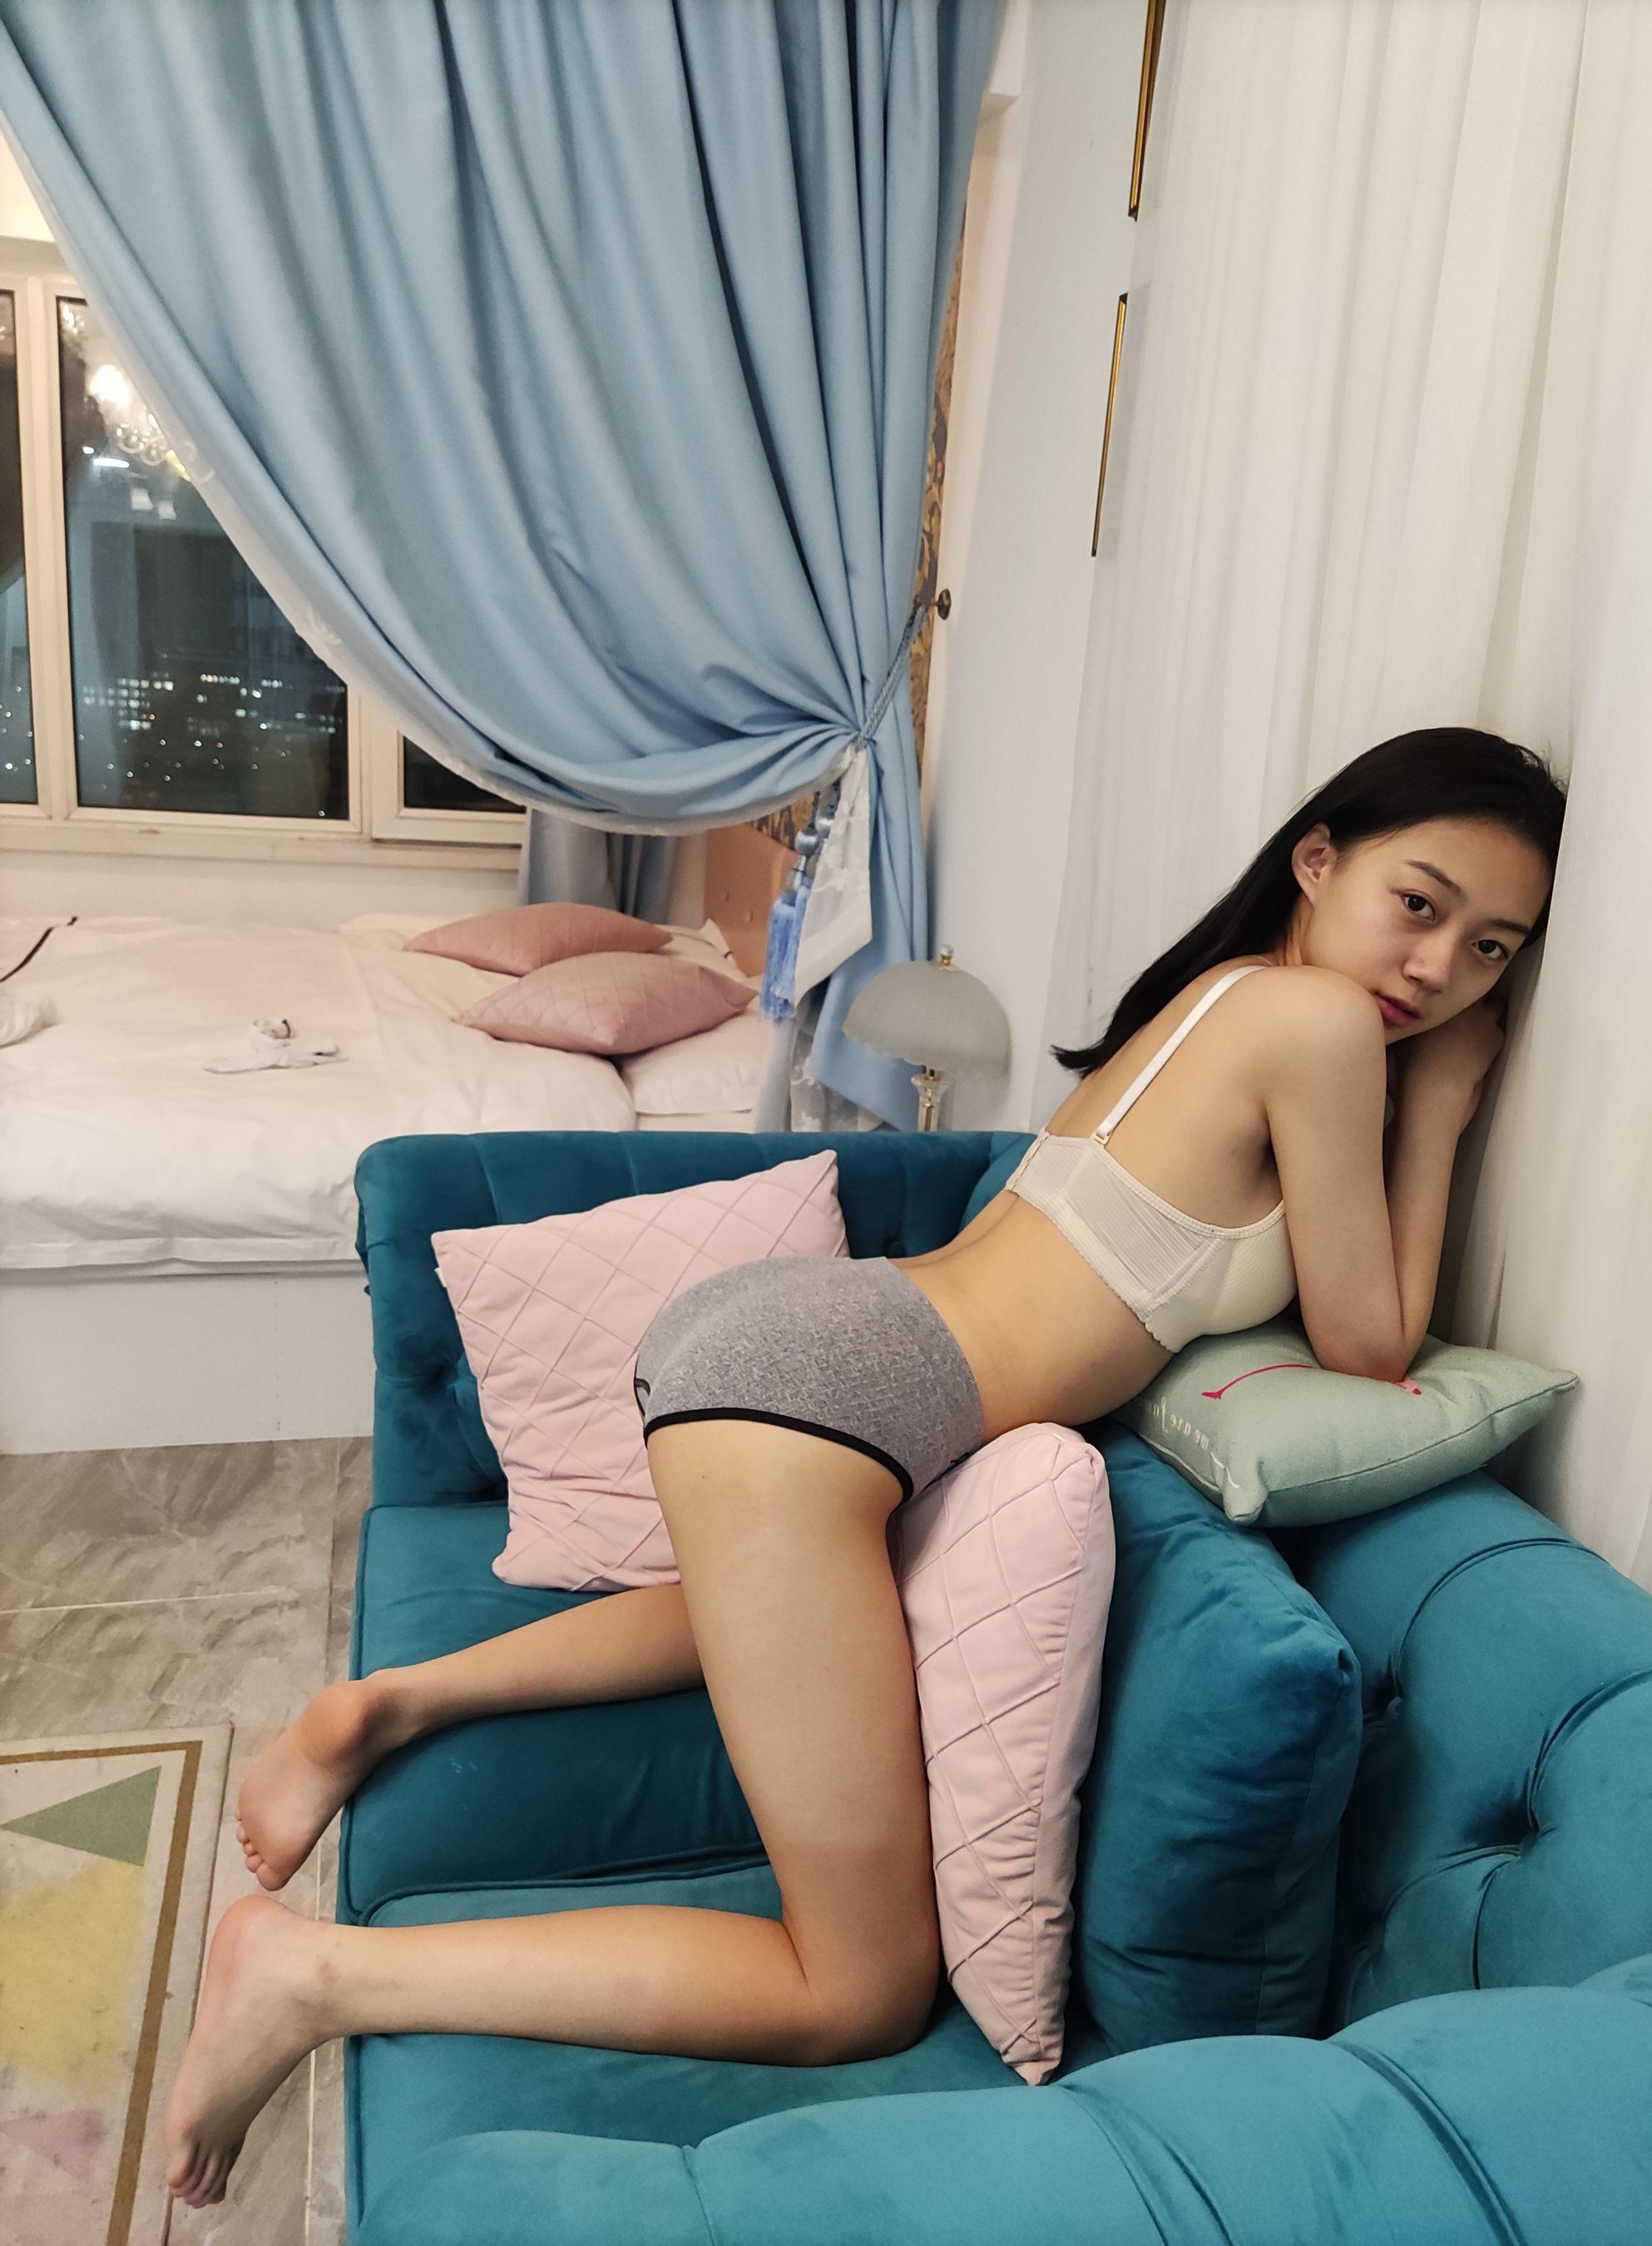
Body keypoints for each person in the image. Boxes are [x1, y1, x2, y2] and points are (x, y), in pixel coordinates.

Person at [166, 725, 1565, 2207]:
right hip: (827, 1394)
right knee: (854, 1989)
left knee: (780, 1613)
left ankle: (387, 1703)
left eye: (1492, 950)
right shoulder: (1323, 1027)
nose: (1439, 970)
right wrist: (1444, 1106)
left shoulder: (1216, 996)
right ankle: (312, 1974)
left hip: (820, 1356)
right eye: (1419, 906)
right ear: (1318, 860)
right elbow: (1368, 1340)